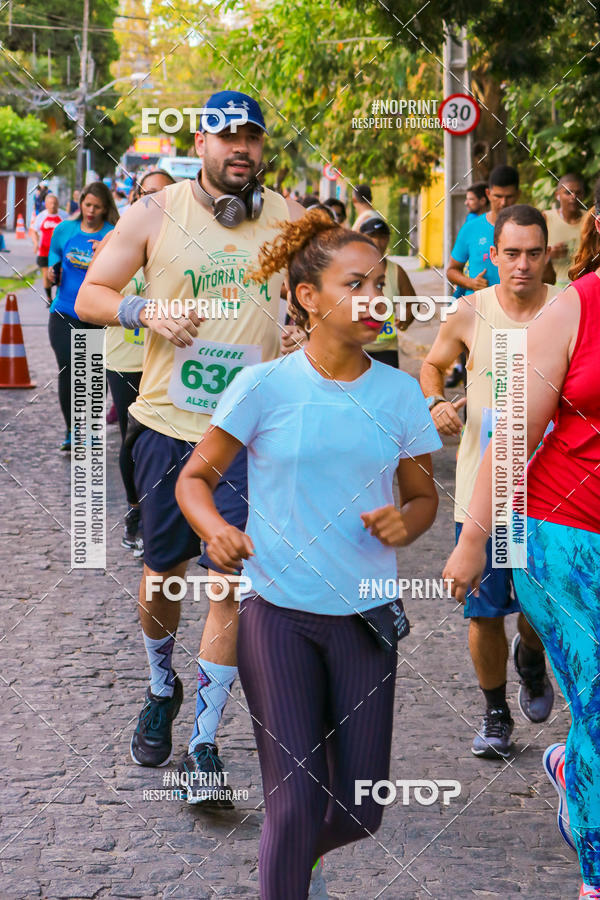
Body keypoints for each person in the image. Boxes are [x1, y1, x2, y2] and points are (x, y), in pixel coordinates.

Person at [175, 209, 441, 899]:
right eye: (356, 285)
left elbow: (423, 497)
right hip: (278, 614)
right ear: (308, 297)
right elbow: (194, 478)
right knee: (292, 806)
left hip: (365, 618)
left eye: (380, 283)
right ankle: (287, 872)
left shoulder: (400, 393)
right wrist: (215, 530)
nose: (375, 299)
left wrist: (405, 525)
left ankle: (298, 865)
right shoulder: (265, 387)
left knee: (361, 809)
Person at [76, 91, 304, 800]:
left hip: (245, 436)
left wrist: (306, 327)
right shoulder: (153, 213)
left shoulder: (292, 217)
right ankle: (160, 684)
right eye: (226, 135)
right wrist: (146, 310)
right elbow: (89, 297)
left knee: (228, 583)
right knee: (163, 578)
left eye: (252, 138)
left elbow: (320, 294)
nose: (241, 148)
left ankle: (205, 742)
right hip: (167, 425)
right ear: (201, 143)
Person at [443, 193, 600, 900]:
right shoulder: (576, 308)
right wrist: (473, 537)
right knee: (597, 701)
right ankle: (596, 873)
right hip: (562, 534)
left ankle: (575, 770)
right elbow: (510, 435)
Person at [421, 204, 557, 758]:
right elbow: (432, 365)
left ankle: (531, 654)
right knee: (482, 612)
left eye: (532, 254)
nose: (521, 265)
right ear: (492, 255)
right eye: (511, 254)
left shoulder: (569, 309)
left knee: (535, 610)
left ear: (547, 255)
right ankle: (495, 711)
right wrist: (434, 402)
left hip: (551, 490)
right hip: (485, 487)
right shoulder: (469, 311)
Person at [104, 170, 177, 557]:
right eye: (148, 193)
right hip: (127, 357)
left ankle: (168, 512)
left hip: (170, 356)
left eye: (164, 194)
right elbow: (94, 298)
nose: (156, 201)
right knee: (133, 437)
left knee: (165, 439)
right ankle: (136, 513)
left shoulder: (186, 241)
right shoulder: (121, 237)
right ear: (135, 196)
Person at [47, 182, 118, 451]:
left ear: (105, 208)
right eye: (87, 204)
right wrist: (52, 273)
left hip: (100, 314)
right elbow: (53, 257)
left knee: (95, 373)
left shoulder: (114, 233)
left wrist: (105, 250)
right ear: (81, 203)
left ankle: (91, 426)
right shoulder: (65, 229)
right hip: (65, 310)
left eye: (97, 207)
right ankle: (72, 429)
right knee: (69, 368)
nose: (90, 211)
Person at [445, 166, 520, 390]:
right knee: (477, 382)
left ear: (518, 194)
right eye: (498, 196)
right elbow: (451, 270)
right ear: (488, 194)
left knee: (512, 383)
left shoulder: (527, 228)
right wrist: (471, 283)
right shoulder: (471, 228)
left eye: (509, 197)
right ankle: (472, 424)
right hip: (478, 314)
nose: (504, 203)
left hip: (517, 315)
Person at [358, 216, 417, 366]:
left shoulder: (396, 271)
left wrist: (405, 318)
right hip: (356, 348)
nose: (377, 242)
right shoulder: (351, 270)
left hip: (387, 350)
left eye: (383, 237)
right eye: (372, 237)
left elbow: (412, 303)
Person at [542, 173, 586, 287]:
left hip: (584, 285)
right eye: (568, 192)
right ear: (557, 195)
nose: (573, 197)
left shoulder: (590, 220)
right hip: (553, 287)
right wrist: (549, 254)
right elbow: (531, 254)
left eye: (578, 193)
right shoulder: (546, 219)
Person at [30, 194, 66, 304]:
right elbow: (33, 231)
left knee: (59, 276)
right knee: (46, 276)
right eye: (50, 203)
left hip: (60, 252)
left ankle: (58, 297)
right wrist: (36, 243)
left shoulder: (64, 216)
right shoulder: (41, 216)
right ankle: (49, 298)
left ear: (58, 204)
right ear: (46, 204)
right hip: (44, 251)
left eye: (55, 203)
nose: (53, 205)